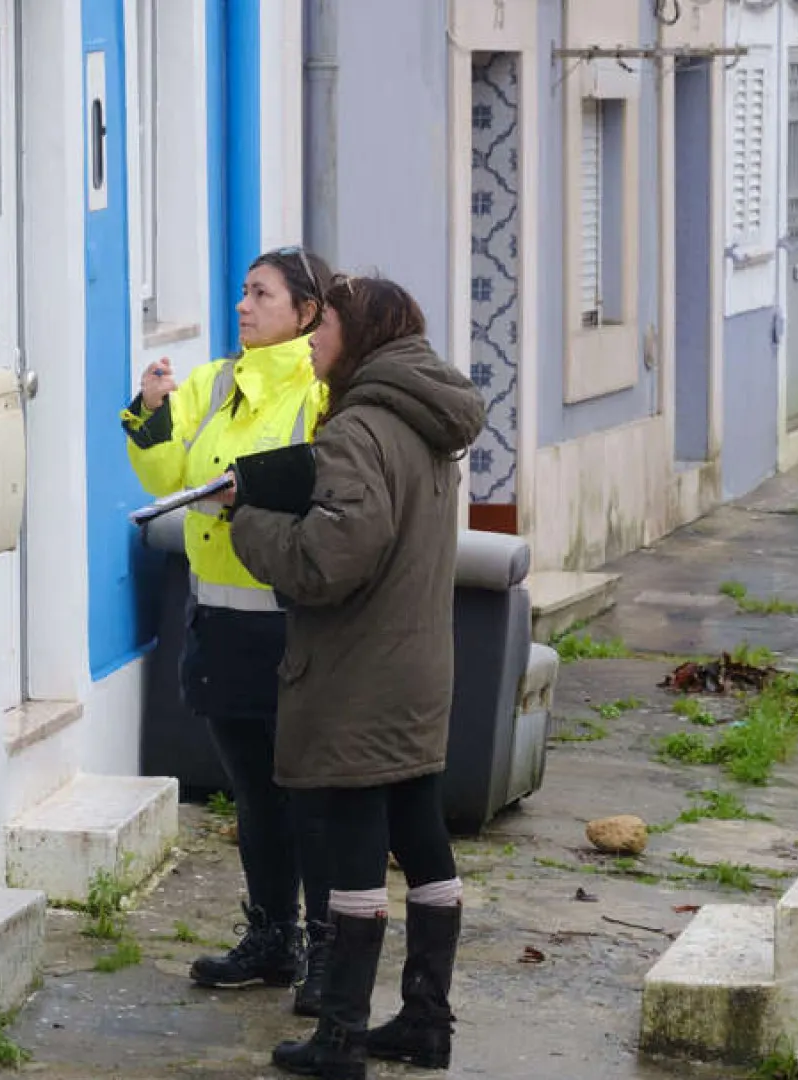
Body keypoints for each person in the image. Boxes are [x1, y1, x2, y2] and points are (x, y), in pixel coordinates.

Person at [228, 276, 486, 1078]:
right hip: (418, 666)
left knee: (351, 851)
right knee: (420, 837)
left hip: (355, 675)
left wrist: (251, 521)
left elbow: (328, 561)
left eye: (326, 323)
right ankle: (425, 1021)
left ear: (362, 332)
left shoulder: (359, 428)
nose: (312, 339)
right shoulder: (428, 419)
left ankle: (340, 1037)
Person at [120, 247, 335, 1015]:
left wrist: (249, 498)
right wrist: (149, 413)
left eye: (263, 294)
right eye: (243, 292)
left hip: (291, 628)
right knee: (252, 795)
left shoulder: (321, 391)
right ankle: (273, 938)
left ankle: (324, 952)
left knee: (307, 796)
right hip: (218, 620)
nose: (243, 306)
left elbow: (326, 485)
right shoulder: (214, 381)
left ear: (307, 312)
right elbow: (168, 472)